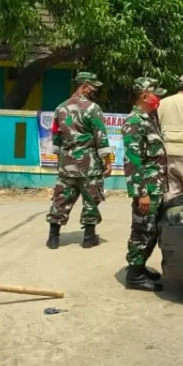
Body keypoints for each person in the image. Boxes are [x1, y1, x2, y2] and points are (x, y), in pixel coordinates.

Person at [45, 72, 114, 250]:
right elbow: (101, 137)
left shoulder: (61, 107)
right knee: (91, 199)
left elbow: (56, 136)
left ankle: (53, 237)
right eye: (93, 87)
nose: (95, 90)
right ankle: (89, 238)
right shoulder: (93, 108)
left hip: (67, 162)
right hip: (89, 163)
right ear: (84, 86)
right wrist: (107, 161)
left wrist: (61, 159)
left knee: (61, 198)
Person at [121, 77, 168, 291]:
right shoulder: (134, 122)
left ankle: (140, 266)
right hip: (146, 187)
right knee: (142, 229)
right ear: (144, 96)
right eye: (155, 93)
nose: (158, 96)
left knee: (151, 229)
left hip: (156, 185)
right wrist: (141, 193)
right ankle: (134, 275)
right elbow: (133, 161)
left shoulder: (149, 118)